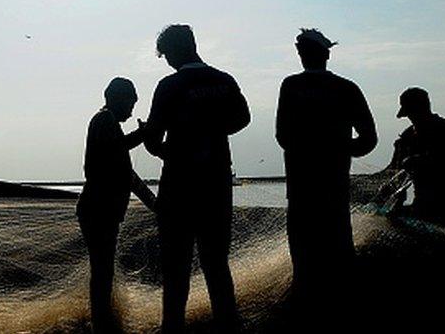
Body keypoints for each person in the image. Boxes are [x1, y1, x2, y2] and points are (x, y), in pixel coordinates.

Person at [141, 24, 250, 332]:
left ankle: (172, 328)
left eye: (165, 55)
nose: (166, 61)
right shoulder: (224, 80)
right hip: (216, 184)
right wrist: (211, 132)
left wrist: (168, 150)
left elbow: (152, 139)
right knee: (216, 264)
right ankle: (227, 326)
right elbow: (243, 118)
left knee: (175, 269)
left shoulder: (169, 86)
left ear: (175, 51)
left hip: (179, 186)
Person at [274, 29, 377, 323]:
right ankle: (341, 304)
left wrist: (309, 149)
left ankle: (305, 305)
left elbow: (282, 136)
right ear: (327, 54)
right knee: (338, 243)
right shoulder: (346, 88)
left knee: (303, 246)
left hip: (301, 185)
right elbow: (368, 138)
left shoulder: (290, 86)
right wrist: (341, 150)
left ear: (301, 54)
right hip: (334, 184)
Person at [77, 77, 150, 332]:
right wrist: (143, 134)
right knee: (102, 272)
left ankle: (102, 320)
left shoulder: (107, 123)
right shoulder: (104, 120)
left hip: (101, 210)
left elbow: (126, 173)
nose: (132, 109)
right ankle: (101, 324)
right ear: (118, 98)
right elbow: (118, 152)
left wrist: (153, 203)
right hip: (97, 210)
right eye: (131, 102)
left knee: (103, 270)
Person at [390, 87, 445, 222]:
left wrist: (417, 160)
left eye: (412, 112)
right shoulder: (406, 137)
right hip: (422, 201)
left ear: (423, 108)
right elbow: (394, 170)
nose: (410, 117)